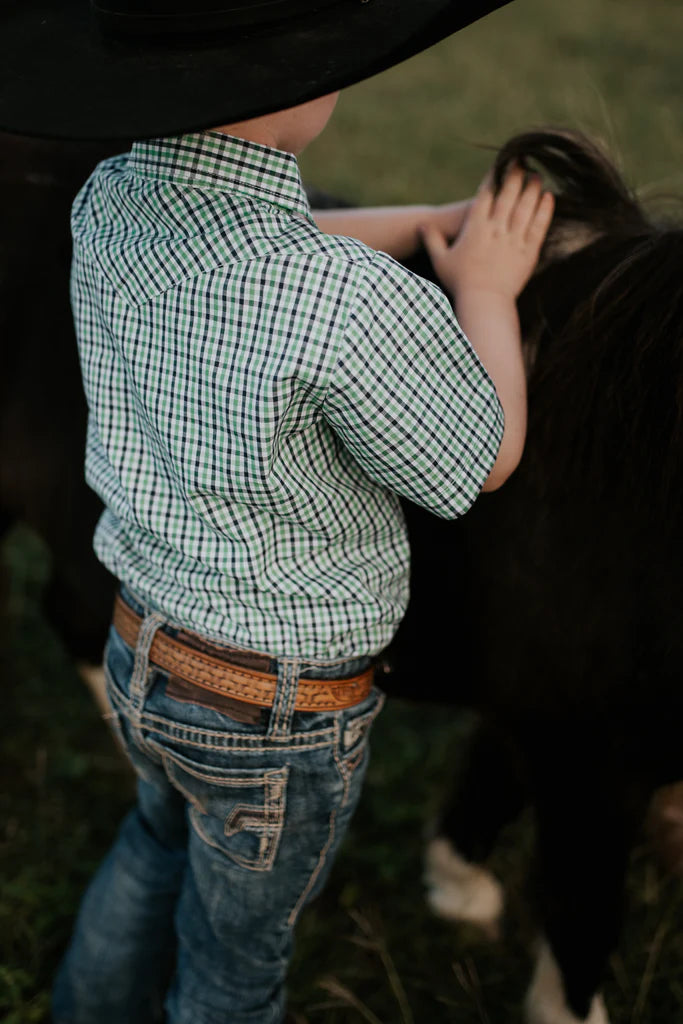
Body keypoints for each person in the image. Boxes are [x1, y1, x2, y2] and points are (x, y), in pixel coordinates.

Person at [0, 2, 553, 1022]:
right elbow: (479, 458)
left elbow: (263, 249)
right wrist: (484, 288)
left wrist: (417, 223)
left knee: (154, 839)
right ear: (302, 90)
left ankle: (86, 1007)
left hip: (142, 646)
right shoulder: (341, 299)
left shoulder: (109, 199)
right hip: (273, 711)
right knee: (233, 963)